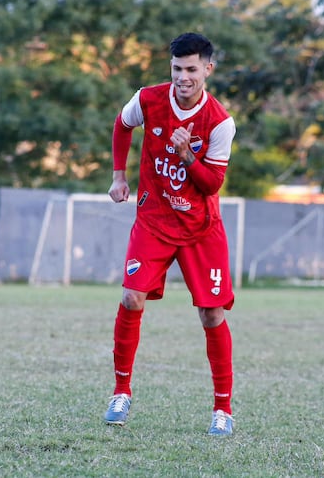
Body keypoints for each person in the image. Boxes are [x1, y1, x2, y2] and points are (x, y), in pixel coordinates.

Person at [104, 32, 237, 436]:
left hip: (200, 229)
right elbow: (122, 124)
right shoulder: (147, 99)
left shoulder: (220, 122)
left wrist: (186, 155)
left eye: (192, 69)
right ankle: (121, 391)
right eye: (177, 68)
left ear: (207, 69)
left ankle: (223, 410)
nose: (183, 77)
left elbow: (212, 183)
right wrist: (118, 176)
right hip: (154, 220)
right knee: (131, 295)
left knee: (211, 313)